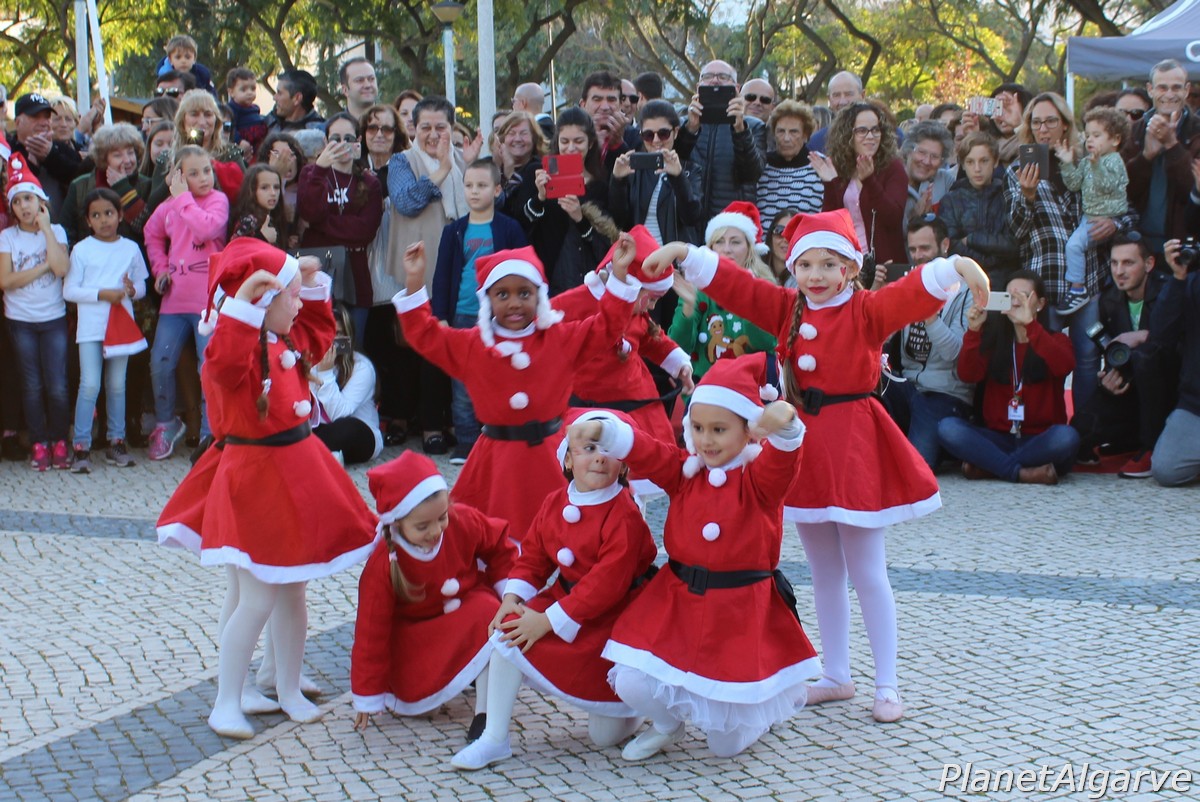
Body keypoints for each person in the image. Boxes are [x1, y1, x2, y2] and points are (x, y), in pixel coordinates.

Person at [644, 208, 990, 723]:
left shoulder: (866, 310)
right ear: (792, 268)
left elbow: (908, 294)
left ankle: (888, 683)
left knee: (868, 572)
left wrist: (955, 267)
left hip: (855, 448)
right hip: (804, 448)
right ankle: (836, 674)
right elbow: (740, 288)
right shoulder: (787, 308)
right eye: (806, 265)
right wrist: (685, 255)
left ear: (849, 268)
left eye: (829, 264)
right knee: (824, 572)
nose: (816, 276)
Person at [156, 237, 378, 738]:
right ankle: (228, 700)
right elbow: (222, 365)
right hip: (258, 481)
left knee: (282, 588)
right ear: (261, 301)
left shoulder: (280, 340)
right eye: (290, 296)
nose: (297, 306)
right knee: (256, 596)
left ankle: (279, 681)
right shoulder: (235, 347)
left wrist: (311, 285)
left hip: (291, 470)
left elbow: (318, 337)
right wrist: (242, 304)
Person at [584, 357, 819, 759]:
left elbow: (784, 458)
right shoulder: (685, 470)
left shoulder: (759, 479)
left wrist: (785, 421)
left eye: (718, 430)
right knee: (630, 681)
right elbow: (648, 451)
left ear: (748, 430)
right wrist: (606, 431)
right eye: (697, 428)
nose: (706, 440)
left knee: (724, 745)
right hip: (676, 603)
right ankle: (666, 724)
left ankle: (757, 717)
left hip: (738, 612)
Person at [449, 409, 658, 771]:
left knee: (603, 736)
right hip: (566, 600)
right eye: (588, 448)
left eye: (609, 450)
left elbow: (605, 584)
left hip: (615, 618)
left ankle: (633, 707)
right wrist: (513, 597)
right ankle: (494, 738)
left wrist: (546, 621)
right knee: (507, 633)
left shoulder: (624, 515)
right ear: (567, 459)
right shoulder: (554, 502)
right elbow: (533, 556)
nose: (599, 457)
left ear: (624, 465)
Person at [392, 235, 640, 537]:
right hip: (495, 465)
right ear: (488, 299)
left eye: (524, 293)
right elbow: (425, 335)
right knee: (488, 539)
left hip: (552, 459)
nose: (514, 303)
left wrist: (620, 274)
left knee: (562, 535)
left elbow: (607, 327)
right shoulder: (474, 346)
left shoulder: (560, 339)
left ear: (539, 295)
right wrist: (415, 280)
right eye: (502, 294)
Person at [352, 451, 516, 736]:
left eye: (441, 518)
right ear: (397, 523)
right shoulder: (384, 564)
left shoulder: (462, 519)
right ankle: (460, 675)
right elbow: (370, 633)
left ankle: (486, 714)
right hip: (416, 639)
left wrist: (509, 593)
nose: (436, 530)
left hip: (468, 611)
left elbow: (499, 545)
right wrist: (367, 694)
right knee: (424, 709)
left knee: (492, 615)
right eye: (422, 526)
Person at [1005, 91, 1137, 410]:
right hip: (1044, 281)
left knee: (1087, 357)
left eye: (1051, 121)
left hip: (1088, 281)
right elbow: (1017, 232)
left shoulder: (1089, 161)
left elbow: (1127, 208)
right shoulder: (1018, 169)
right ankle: (1047, 424)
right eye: (1037, 122)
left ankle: (1085, 430)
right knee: (1044, 358)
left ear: (1065, 124)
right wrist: (1027, 196)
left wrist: (1115, 224)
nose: (1043, 129)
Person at [552, 226, 695, 485]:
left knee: (645, 470)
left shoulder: (637, 314)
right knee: (591, 472)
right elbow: (544, 337)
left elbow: (652, 339)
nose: (652, 306)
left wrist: (679, 363)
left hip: (636, 405)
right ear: (631, 285)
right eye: (651, 299)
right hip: (588, 405)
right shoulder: (572, 305)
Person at [387, 95, 482, 453]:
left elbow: (486, 202)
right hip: (417, 267)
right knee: (418, 347)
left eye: (440, 127)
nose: (432, 134)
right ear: (413, 128)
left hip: (458, 268)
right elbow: (407, 201)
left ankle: (449, 420)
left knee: (452, 345)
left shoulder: (464, 159)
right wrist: (443, 169)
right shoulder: (402, 161)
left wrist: (466, 164)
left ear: (451, 128)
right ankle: (427, 425)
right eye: (425, 127)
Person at [937, 270, 1079, 484]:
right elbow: (967, 375)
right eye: (1009, 296)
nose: (1015, 302)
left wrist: (1030, 326)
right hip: (998, 437)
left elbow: (1065, 365)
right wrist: (974, 330)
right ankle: (1020, 472)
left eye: (1023, 296)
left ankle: (991, 467)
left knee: (1066, 437)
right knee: (948, 428)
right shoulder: (995, 341)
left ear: (1040, 304)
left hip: (1041, 438)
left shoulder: (1056, 340)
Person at [432, 158, 528, 463]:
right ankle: (467, 442)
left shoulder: (509, 228)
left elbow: (524, 269)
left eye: (482, 185)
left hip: (501, 317)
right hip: (462, 314)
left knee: (502, 377)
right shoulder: (454, 230)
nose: (474, 191)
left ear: (497, 190)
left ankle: (501, 438)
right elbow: (442, 275)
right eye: (469, 185)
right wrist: (440, 316)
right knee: (462, 382)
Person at [144, 145, 230, 459]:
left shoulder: (218, 200)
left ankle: (211, 431)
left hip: (208, 303)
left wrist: (182, 198)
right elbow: (151, 234)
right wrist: (160, 269)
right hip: (175, 301)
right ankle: (166, 423)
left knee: (208, 366)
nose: (204, 178)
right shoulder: (168, 207)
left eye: (207, 170)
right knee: (160, 362)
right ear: (179, 177)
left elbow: (206, 228)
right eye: (193, 173)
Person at [1071, 234, 1175, 477]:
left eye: (1128, 263)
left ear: (1149, 264)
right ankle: (1132, 439)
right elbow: (1114, 351)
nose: (1119, 271)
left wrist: (1145, 336)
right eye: (1114, 263)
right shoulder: (1109, 299)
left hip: (1171, 389)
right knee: (1077, 433)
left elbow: (1186, 344)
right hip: (1132, 388)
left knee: (1145, 356)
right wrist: (1108, 376)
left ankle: (1150, 447)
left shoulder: (1170, 290)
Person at [63, 187, 148, 472]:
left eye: (109, 213)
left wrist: (131, 291)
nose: (103, 220)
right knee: (89, 384)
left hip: (121, 329)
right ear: (88, 221)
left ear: (120, 215)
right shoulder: (82, 249)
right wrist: (102, 294)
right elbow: (69, 290)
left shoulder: (130, 248)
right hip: (91, 328)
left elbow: (141, 286)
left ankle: (116, 441)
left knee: (117, 384)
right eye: (96, 215)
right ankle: (81, 446)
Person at [882, 216, 975, 468]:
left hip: (944, 393)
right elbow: (879, 338)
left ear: (945, 245)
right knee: (868, 380)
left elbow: (954, 353)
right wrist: (877, 290)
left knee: (917, 466)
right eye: (912, 249)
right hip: (908, 385)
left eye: (924, 248)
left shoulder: (967, 288)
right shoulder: (907, 281)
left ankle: (942, 444)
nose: (918, 256)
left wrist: (929, 315)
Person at [0, 155, 71, 470]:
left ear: (41, 201)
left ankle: (59, 440)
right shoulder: (7, 237)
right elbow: (6, 281)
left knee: (57, 384)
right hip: (21, 321)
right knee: (32, 385)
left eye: (28, 199)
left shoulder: (57, 231)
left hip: (53, 318)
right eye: (16, 202)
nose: (23, 207)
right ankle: (39, 441)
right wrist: (44, 267)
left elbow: (62, 268)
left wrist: (46, 230)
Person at [668, 202, 776, 386]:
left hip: (750, 389)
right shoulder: (697, 287)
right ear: (711, 248)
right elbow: (677, 349)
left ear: (749, 249)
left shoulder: (764, 287)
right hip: (705, 388)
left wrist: (748, 296)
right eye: (719, 241)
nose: (727, 249)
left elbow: (766, 345)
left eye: (735, 242)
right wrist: (688, 306)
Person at [297, 113, 384, 340]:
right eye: (335, 138)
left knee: (351, 349)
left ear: (358, 141)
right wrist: (320, 170)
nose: (342, 144)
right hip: (317, 272)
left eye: (348, 138)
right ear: (326, 142)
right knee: (315, 347)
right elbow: (308, 212)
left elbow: (364, 231)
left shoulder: (370, 182)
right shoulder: (311, 173)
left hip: (355, 278)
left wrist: (320, 224)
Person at [513, 107, 614, 295]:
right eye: (564, 141)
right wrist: (540, 198)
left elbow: (604, 244)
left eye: (578, 141)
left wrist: (580, 218)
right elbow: (520, 226)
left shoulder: (599, 185)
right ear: (556, 142)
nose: (571, 148)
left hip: (583, 281)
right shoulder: (537, 173)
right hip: (542, 278)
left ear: (590, 143)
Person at [810, 101, 909, 264]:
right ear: (847, 135)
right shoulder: (841, 167)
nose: (870, 136)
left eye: (875, 130)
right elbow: (831, 223)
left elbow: (893, 217)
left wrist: (869, 181)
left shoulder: (892, 167)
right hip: (849, 263)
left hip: (885, 265)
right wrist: (830, 183)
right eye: (862, 131)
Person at [1056, 107, 1130, 315]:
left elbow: (1107, 185)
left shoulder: (1115, 161)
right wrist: (1067, 163)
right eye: (1087, 135)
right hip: (1088, 217)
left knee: (1074, 246)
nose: (1090, 140)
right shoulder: (1088, 161)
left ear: (1115, 139)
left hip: (1108, 218)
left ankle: (1077, 289)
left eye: (1097, 135)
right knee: (1074, 246)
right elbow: (1074, 184)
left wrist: (1097, 166)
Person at [1122, 60, 1200, 256]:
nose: (1169, 94)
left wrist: (1172, 145)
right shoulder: (1134, 131)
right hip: (1138, 244)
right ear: (1150, 90)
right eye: (1162, 87)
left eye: (1176, 88)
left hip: (1182, 245)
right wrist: (1146, 157)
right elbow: (1122, 191)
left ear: (1187, 90)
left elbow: (1193, 192)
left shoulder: (1197, 131)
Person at [675, 61, 766, 221]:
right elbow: (674, 163)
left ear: (737, 88)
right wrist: (690, 129)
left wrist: (740, 129)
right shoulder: (682, 124)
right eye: (708, 76)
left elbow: (751, 174)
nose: (715, 81)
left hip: (730, 222)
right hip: (689, 221)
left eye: (723, 77)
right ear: (698, 86)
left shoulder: (753, 126)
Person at [608, 100, 703, 247]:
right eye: (648, 135)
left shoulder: (690, 170)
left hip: (676, 257)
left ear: (676, 132)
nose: (656, 140)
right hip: (640, 255)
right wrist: (617, 181)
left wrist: (678, 177)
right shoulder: (633, 170)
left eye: (663, 134)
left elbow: (691, 217)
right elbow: (619, 221)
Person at [940, 132, 1020, 286]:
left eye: (984, 161)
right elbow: (951, 245)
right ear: (963, 164)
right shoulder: (951, 200)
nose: (977, 168)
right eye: (970, 162)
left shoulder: (1007, 196)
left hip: (1004, 281)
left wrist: (971, 239)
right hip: (963, 281)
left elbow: (1012, 244)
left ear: (995, 161)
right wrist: (983, 261)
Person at [1151, 238, 1200, 486]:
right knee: (1166, 469)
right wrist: (1178, 277)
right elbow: (1161, 336)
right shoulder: (1191, 283)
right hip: (1196, 404)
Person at [308, 303, 383, 465]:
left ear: (348, 336)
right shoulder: (309, 360)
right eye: (327, 332)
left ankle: (310, 453)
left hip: (358, 433)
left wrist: (325, 374)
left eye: (338, 333)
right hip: (322, 429)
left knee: (345, 427)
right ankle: (321, 455)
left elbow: (340, 414)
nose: (331, 340)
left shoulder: (362, 366)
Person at [60, 123, 151, 246]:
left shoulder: (146, 185)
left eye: (130, 153)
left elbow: (148, 229)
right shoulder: (79, 185)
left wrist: (123, 188)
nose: (127, 160)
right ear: (103, 159)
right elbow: (65, 232)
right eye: (117, 155)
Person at [8, 93, 82, 220]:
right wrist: (32, 163)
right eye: (35, 117)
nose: (43, 123)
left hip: (59, 230)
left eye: (47, 116)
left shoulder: (60, 148)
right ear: (18, 122)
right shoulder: (6, 151)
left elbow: (80, 177)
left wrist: (51, 156)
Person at [756, 100, 823, 220]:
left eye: (794, 132)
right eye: (781, 131)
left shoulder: (821, 165)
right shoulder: (761, 164)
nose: (786, 138)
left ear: (805, 135)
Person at [901, 120, 956, 223]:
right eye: (921, 152)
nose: (927, 161)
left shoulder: (945, 181)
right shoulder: (892, 182)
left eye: (935, 156)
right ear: (908, 151)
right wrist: (915, 218)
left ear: (942, 161)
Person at [578, 72, 629, 176]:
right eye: (597, 100)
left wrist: (617, 144)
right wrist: (593, 145)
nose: (605, 107)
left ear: (620, 105)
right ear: (583, 105)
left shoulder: (637, 137)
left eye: (611, 100)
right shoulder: (570, 137)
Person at [228, 164, 288, 245]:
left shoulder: (275, 215)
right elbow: (236, 249)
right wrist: (262, 237)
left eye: (276, 187)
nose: (273, 193)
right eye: (264, 188)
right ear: (251, 190)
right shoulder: (248, 221)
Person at [807, 71, 865, 154]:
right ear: (829, 99)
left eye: (848, 94)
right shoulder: (817, 143)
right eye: (836, 95)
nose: (842, 102)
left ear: (862, 95)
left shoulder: (879, 135)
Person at [225, 67, 268, 161]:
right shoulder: (231, 109)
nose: (249, 93)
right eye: (243, 90)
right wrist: (239, 141)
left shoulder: (255, 109)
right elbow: (229, 128)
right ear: (231, 92)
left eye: (253, 89)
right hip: (243, 148)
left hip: (258, 147)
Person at [765, 208, 799, 288]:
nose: (785, 239)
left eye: (793, 233)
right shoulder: (752, 269)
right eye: (779, 231)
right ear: (770, 236)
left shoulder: (803, 281)